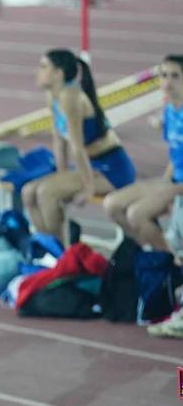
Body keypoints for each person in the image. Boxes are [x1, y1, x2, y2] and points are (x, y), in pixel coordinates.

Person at [23, 49, 137, 239]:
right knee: (28, 192)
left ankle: (62, 257)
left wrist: (88, 188)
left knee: (46, 193)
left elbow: (77, 146)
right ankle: (48, 249)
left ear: (58, 74)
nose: (37, 71)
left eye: (43, 67)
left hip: (112, 169)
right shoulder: (53, 96)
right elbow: (59, 141)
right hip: (90, 166)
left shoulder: (71, 97)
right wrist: (61, 175)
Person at [105, 55, 183, 255]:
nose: (167, 81)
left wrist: (171, 192)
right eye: (164, 75)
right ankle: (153, 251)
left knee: (136, 214)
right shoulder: (170, 110)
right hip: (174, 180)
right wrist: (165, 183)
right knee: (112, 205)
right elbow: (176, 156)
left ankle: (172, 261)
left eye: (175, 76)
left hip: (180, 187)